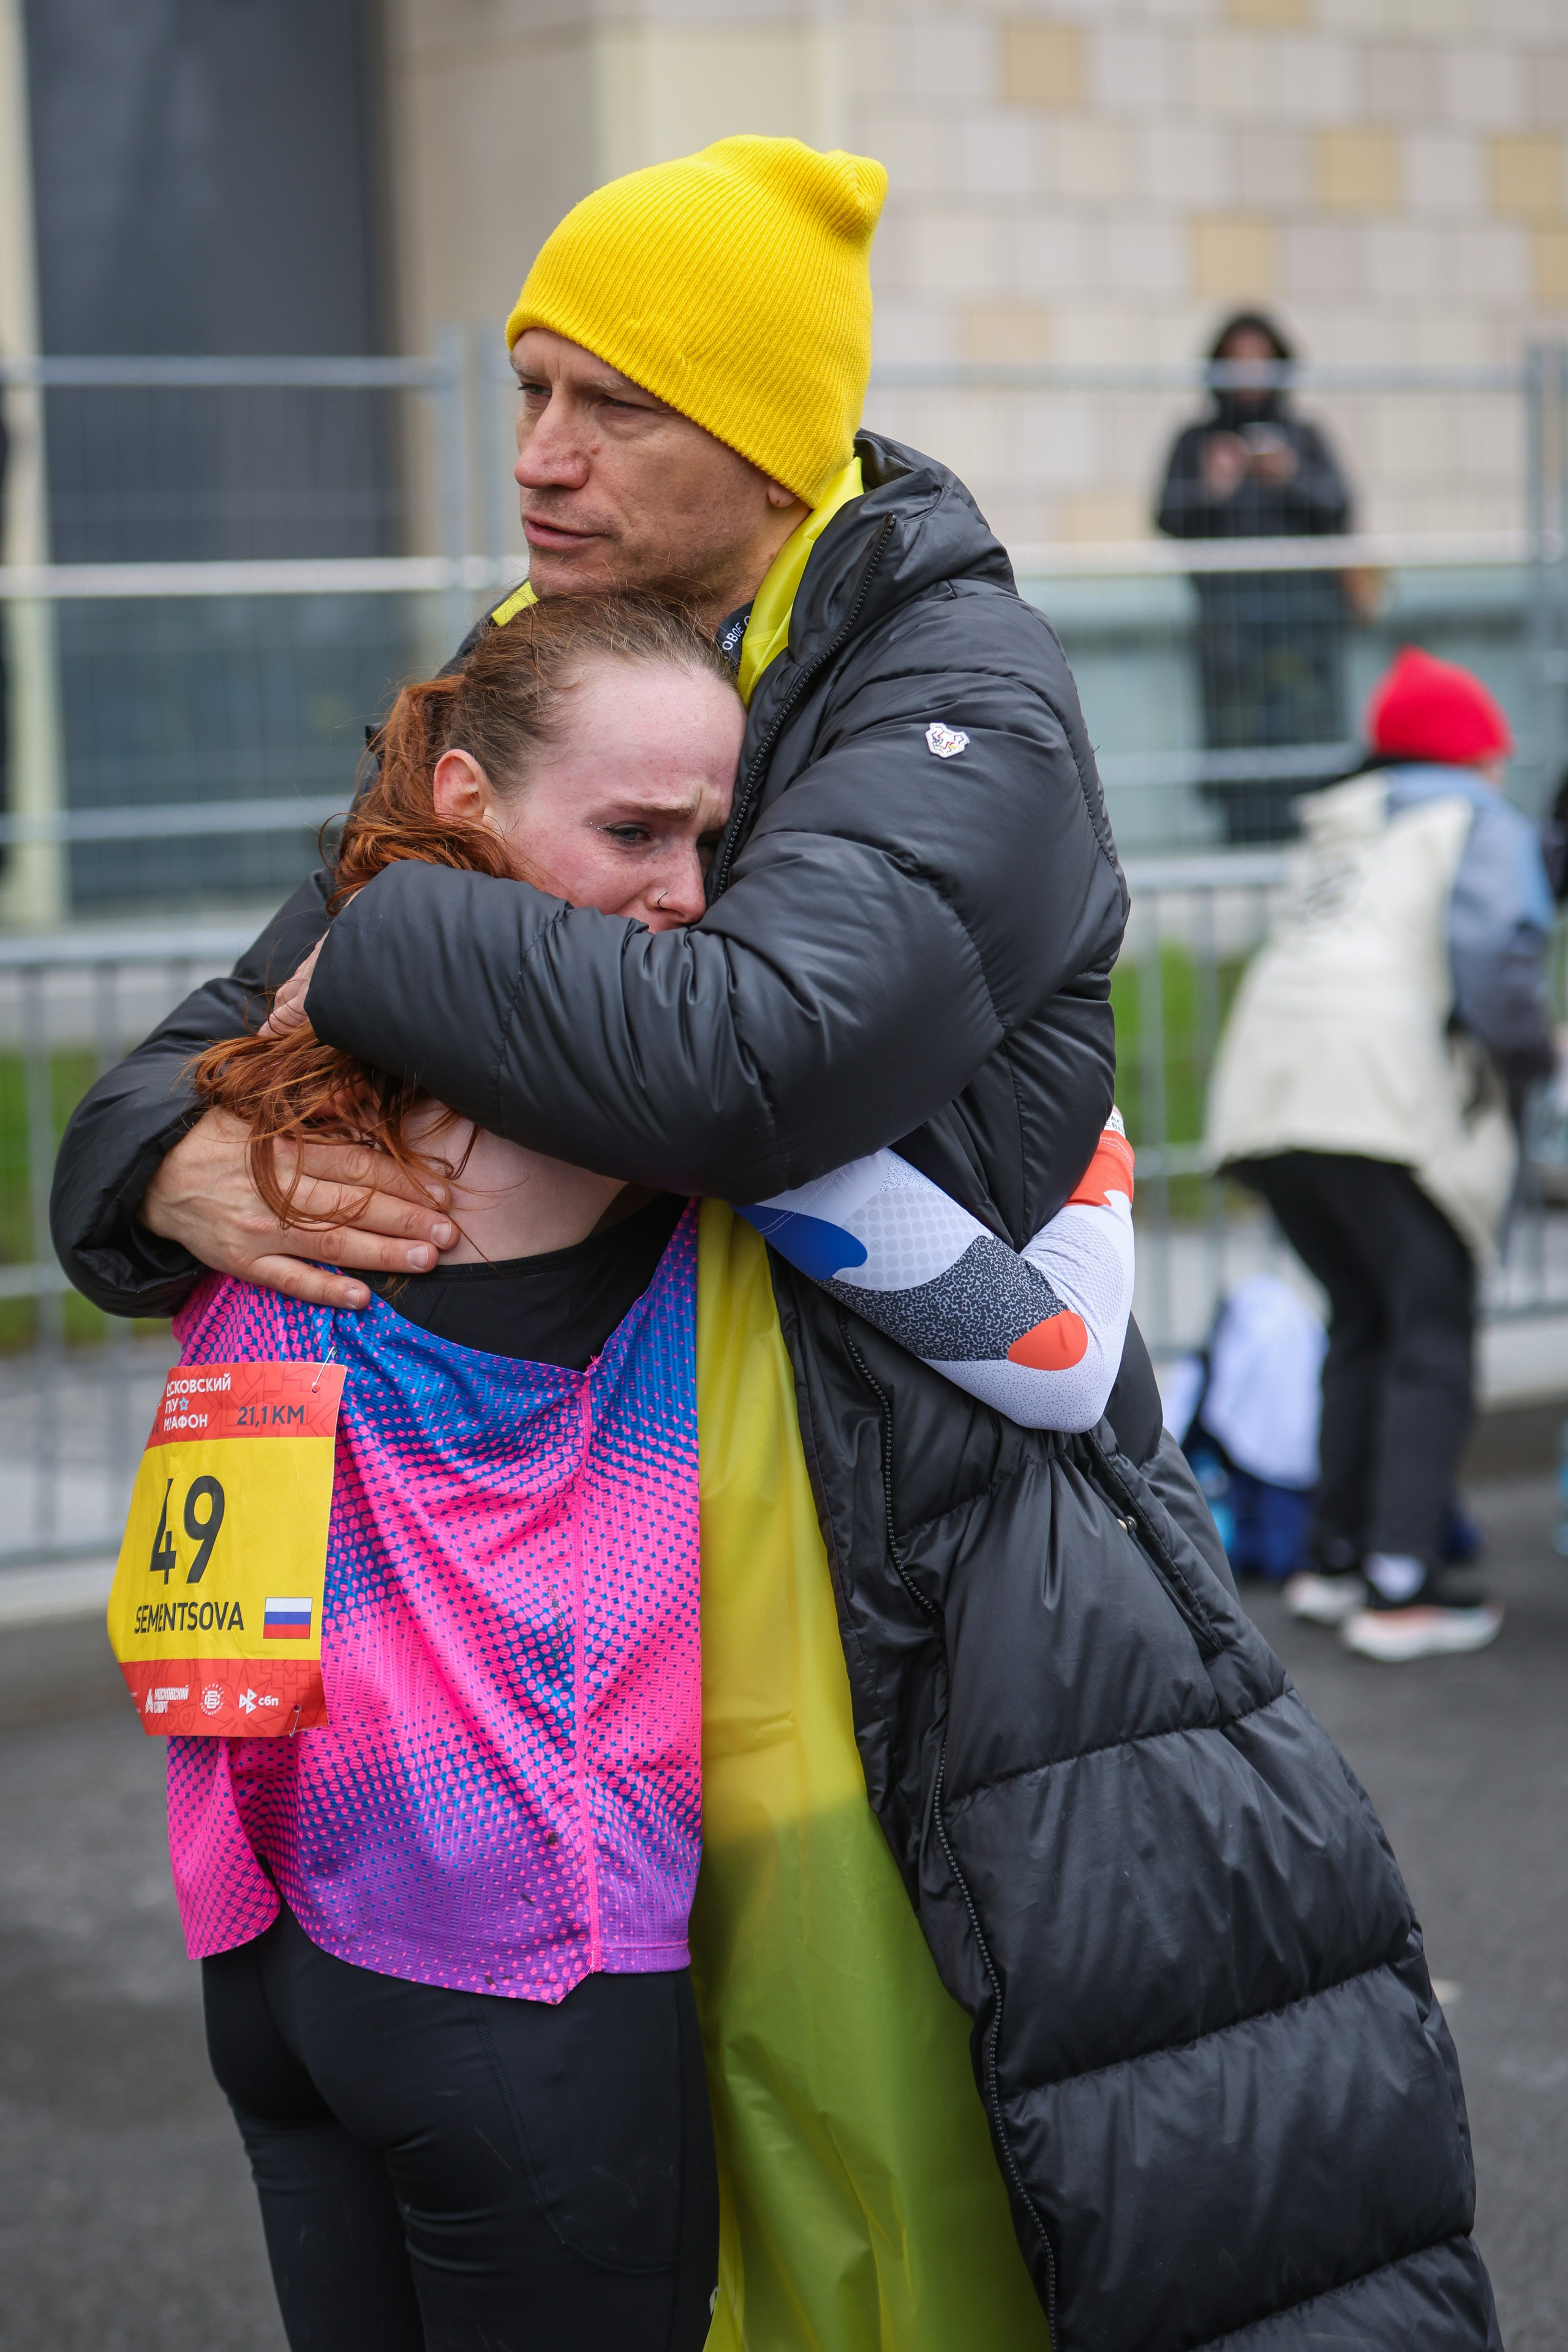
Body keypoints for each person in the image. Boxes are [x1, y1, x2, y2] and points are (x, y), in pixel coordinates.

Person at [58, 140, 1499, 2347]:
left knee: (917, 2230)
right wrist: (177, 1165)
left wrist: (388, 946)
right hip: (526, 1699)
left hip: (910, 1643)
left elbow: (742, 1062)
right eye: (526, 388)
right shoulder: (547, 655)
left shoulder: (961, 682)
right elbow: (149, 1094)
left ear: (758, 436)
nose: (534, 454)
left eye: (605, 402)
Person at [150, 594, 1136, 2350]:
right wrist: (1095, 1160)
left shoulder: (266, 1067)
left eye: (714, 838)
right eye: (632, 834)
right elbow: (1049, 1354)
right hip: (514, 1951)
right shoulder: (635, 1100)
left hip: (269, 1935)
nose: (687, 896)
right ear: (467, 797)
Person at [1208, 646, 1557, 1664]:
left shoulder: (1339, 822)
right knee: (1431, 1332)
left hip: (1269, 1093)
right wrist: (1531, 1058)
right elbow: (1500, 956)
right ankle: (1401, 1587)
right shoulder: (1478, 818)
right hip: (1378, 1100)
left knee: (1362, 1320)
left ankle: (1339, 1556)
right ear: (1478, 753)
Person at [1157, 311, 1354, 846]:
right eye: (1236, 361)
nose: (1248, 373)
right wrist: (1211, 489)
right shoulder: (1197, 440)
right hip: (1231, 626)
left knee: (1307, 727)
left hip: (1303, 622)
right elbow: (1167, 517)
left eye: (1259, 360)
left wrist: (1289, 478)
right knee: (1236, 733)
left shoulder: (1304, 438)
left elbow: (1339, 507)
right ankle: (1242, 840)